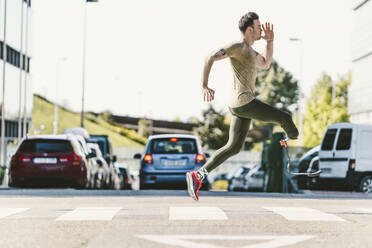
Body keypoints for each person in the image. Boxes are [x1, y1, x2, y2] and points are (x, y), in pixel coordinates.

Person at [186, 12, 299, 201]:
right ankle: (294, 141)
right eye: (259, 27)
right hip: (244, 102)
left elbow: (266, 63)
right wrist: (204, 85)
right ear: (249, 29)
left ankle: (198, 176)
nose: (261, 30)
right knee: (285, 117)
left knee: (233, 147)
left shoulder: (250, 51)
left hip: (239, 106)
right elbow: (209, 57)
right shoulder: (237, 47)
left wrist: (270, 42)